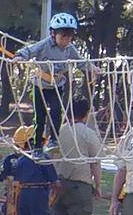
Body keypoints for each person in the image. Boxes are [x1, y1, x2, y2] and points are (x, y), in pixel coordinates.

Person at [15, 13, 97, 149]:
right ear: (53, 34)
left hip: (56, 85)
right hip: (40, 84)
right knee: (40, 117)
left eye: (69, 38)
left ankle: (54, 140)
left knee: (56, 112)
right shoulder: (44, 45)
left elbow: (81, 62)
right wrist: (19, 56)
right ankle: (37, 146)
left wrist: (92, 67)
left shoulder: (70, 49)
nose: (66, 41)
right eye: (63, 37)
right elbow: (29, 50)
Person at [52, 98, 106, 215]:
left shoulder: (59, 131)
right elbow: (95, 163)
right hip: (80, 183)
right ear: (86, 113)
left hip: (58, 182)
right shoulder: (88, 134)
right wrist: (97, 186)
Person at [0, 126, 60, 215]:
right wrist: (55, 194)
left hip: (22, 195)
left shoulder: (17, 160)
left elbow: (5, 178)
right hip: (39, 195)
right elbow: (55, 183)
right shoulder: (44, 159)